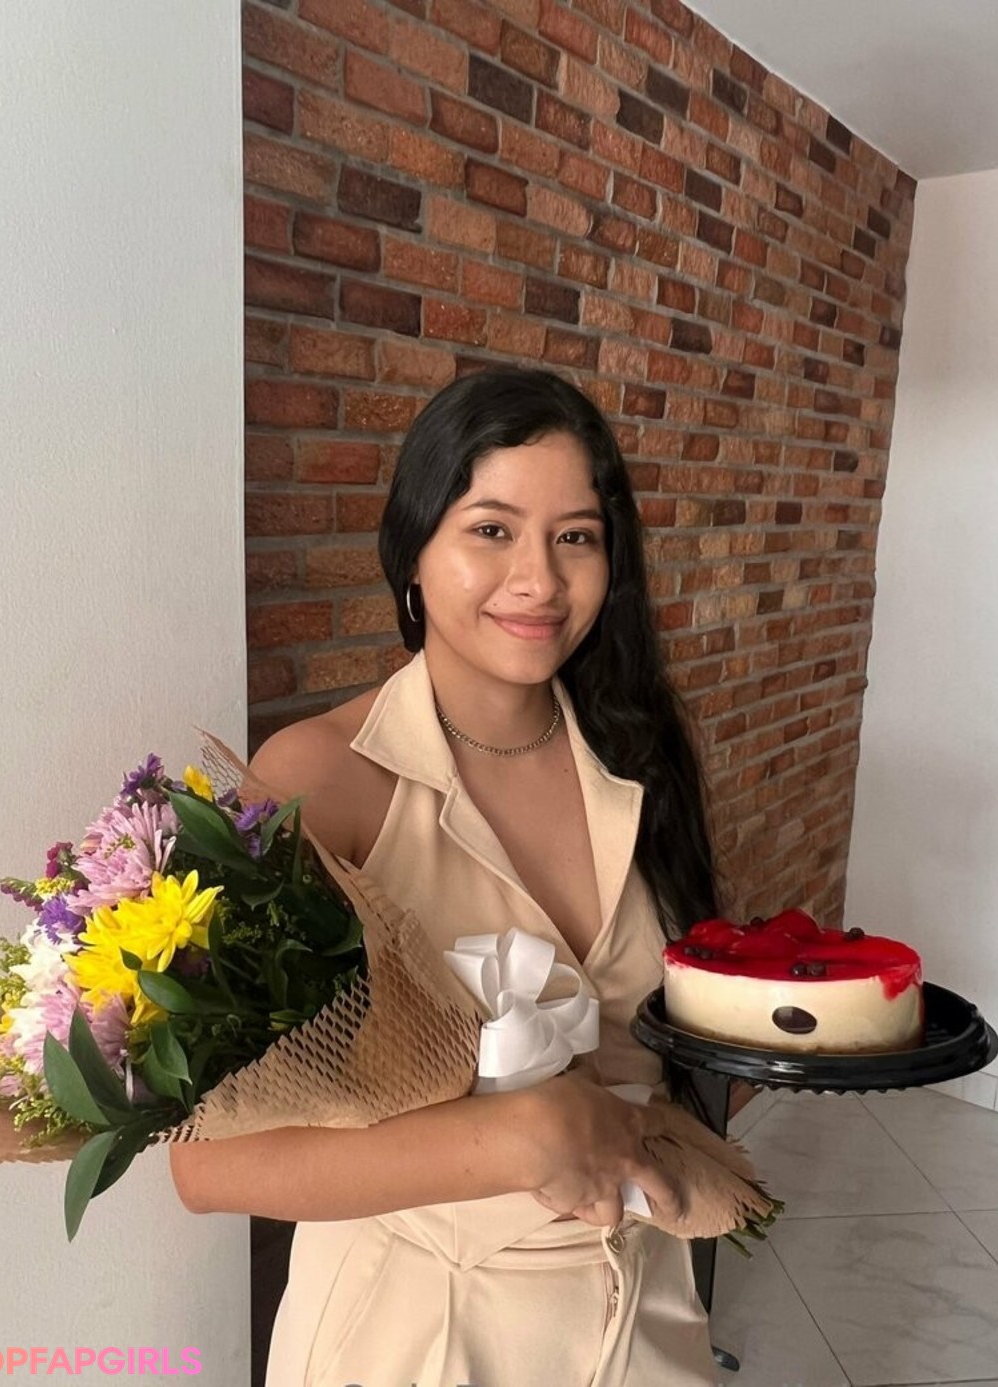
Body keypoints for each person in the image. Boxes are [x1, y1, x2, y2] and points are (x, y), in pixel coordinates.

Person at [170, 366, 721, 1386]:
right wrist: (515, 1137)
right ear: (413, 552)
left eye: (575, 536)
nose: (539, 579)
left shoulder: (638, 752)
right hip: (417, 1335)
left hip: (643, 1318)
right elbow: (208, 1162)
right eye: (491, 529)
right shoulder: (321, 780)